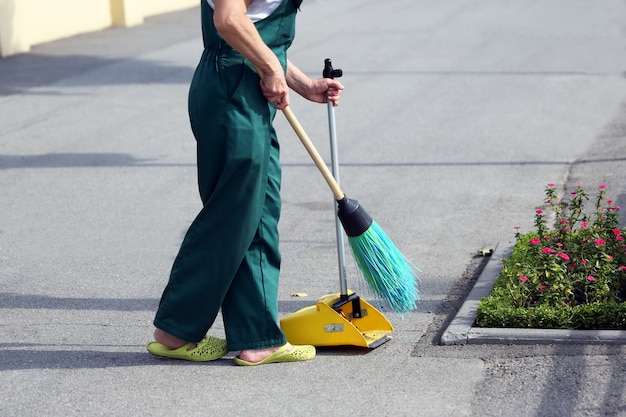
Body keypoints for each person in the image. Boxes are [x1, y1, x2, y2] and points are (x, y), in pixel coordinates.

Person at [146, 0, 344, 366]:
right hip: (232, 91)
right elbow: (229, 20)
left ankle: (259, 337)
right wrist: (271, 68)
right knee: (233, 214)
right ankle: (175, 331)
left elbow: (254, 31)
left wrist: (303, 84)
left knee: (260, 211)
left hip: (247, 89)